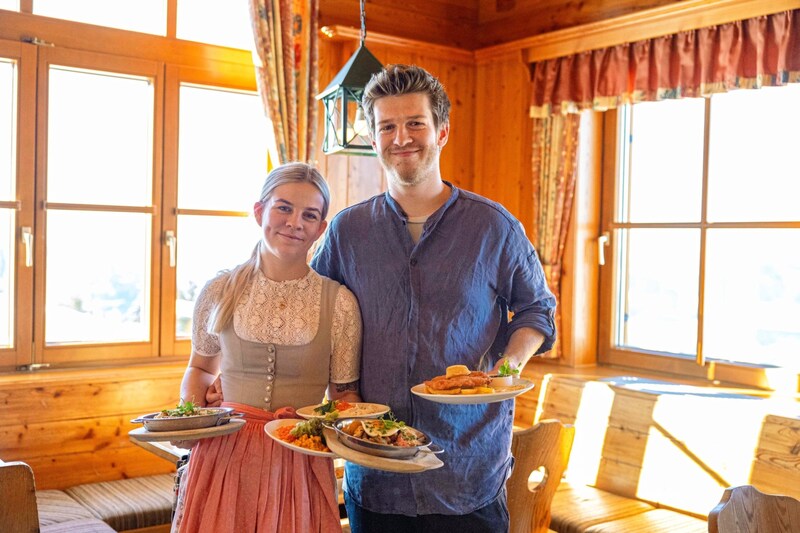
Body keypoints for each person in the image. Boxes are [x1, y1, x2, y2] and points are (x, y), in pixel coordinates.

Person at [310, 64, 557, 532]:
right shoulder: (347, 231)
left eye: (415, 123)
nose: (401, 137)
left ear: (442, 131)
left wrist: (506, 372)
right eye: (387, 126)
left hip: (467, 471)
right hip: (375, 470)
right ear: (374, 137)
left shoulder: (493, 227)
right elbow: (312, 316)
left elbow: (536, 309)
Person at [172, 162, 362, 533]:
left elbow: (344, 393)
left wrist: (360, 433)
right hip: (220, 457)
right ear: (260, 211)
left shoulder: (339, 303)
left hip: (299, 461)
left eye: (310, 215)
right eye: (284, 207)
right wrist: (190, 421)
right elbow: (200, 369)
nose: (295, 222)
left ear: (321, 229)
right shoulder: (219, 291)